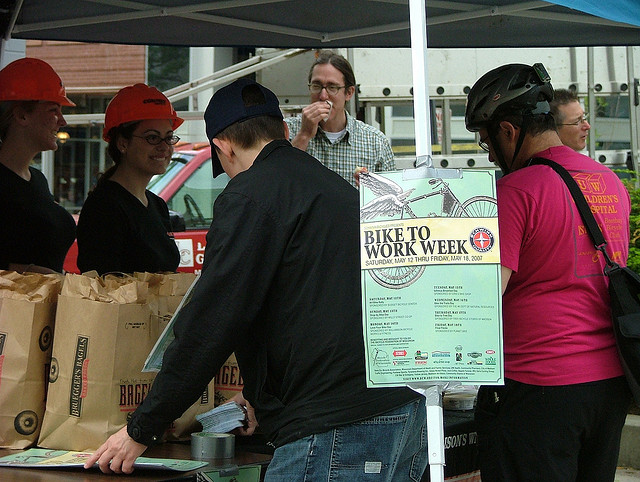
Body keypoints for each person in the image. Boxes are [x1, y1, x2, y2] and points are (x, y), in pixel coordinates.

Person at [85, 78, 427, 480]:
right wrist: (259, 394)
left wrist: (139, 429)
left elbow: (212, 322)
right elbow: (315, 303)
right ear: (283, 130)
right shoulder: (333, 188)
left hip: (334, 423)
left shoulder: (249, 196)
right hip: (400, 410)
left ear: (223, 147)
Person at [465, 63, 632, 481]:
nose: (490, 155)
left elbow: (483, 298)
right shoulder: (610, 181)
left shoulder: (515, 192)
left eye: (488, 142)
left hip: (537, 386)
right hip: (609, 385)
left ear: (508, 130)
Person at [76, 83, 182, 275]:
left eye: (169, 137)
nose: (164, 146)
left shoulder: (157, 205)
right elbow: (103, 286)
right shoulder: (104, 207)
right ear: (123, 143)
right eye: (152, 138)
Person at [0, 57, 76, 274]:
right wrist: (27, 271)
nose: (63, 121)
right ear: (22, 115)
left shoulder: (37, 180)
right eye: (54, 110)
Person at [285, 50, 395, 187]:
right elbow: (275, 183)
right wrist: (304, 135)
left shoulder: (375, 142)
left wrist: (370, 194)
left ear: (349, 93)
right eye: (316, 86)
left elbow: (393, 202)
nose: (323, 96)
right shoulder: (287, 130)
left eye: (332, 87)